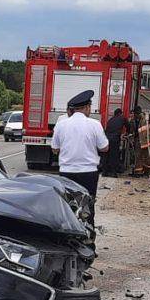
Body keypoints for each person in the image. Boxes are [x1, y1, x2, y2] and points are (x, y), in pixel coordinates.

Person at [50, 89, 108, 224]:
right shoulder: (94, 124)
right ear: (87, 107)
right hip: (88, 173)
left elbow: (54, 148)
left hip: (67, 172)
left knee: (69, 206)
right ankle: (88, 238)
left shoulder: (61, 125)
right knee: (87, 206)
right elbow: (104, 147)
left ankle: (70, 238)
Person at [100, 107, 127, 177]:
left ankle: (104, 172)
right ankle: (113, 173)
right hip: (115, 139)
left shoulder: (110, 120)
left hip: (106, 139)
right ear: (120, 113)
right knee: (114, 155)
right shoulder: (122, 118)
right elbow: (128, 126)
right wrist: (127, 133)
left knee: (106, 155)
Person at [131, 105, 150, 176]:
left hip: (145, 140)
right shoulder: (134, 120)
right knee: (138, 156)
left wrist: (146, 114)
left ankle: (147, 171)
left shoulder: (145, 118)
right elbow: (132, 129)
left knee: (146, 156)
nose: (134, 115)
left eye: (135, 114)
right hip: (138, 140)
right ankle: (138, 172)